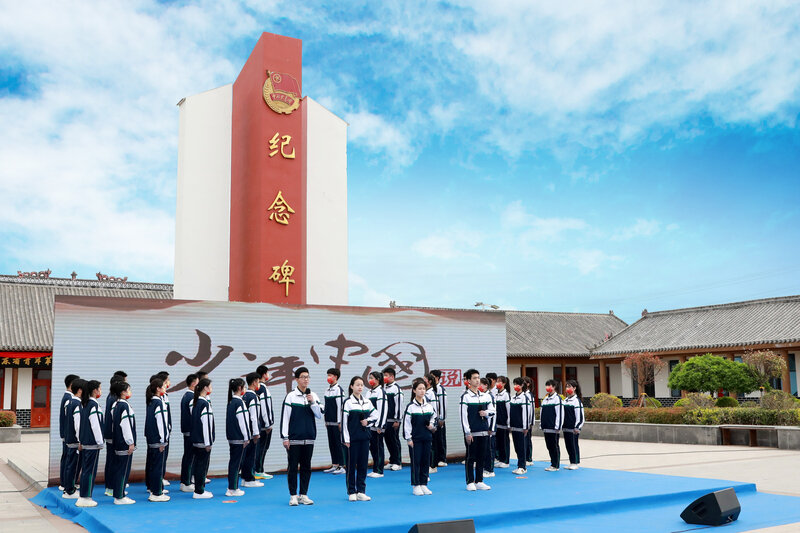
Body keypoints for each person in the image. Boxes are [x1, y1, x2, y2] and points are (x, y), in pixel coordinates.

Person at [280, 367, 323, 506]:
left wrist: (312, 402)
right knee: (292, 467)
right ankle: (293, 495)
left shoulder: (313, 395)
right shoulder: (291, 396)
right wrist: (285, 437)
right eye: (303, 377)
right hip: (294, 439)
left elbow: (319, 414)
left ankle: (303, 494)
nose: (306, 379)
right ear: (297, 379)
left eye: (307, 377)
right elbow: (285, 417)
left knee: (306, 467)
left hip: (309, 438)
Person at [342, 376, 380, 501]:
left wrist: (368, 421)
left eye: (362, 385)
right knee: (351, 465)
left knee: (363, 465)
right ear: (351, 386)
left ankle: (361, 491)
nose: (360, 387)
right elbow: (344, 422)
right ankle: (351, 491)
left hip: (365, 438)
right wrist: (346, 439)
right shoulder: (348, 402)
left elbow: (376, 414)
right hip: (352, 440)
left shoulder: (367, 402)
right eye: (357, 385)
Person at [460, 369, 495, 491]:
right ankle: (470, 481)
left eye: (478, 377)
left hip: (484, 431)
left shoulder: (486, 396)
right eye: (474, 378)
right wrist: (467, 432)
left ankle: (479, 481)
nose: (477, 380)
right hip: (472, 433)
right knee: (470, 458)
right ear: (469, 381)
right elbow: (463, 416)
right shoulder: (466, 397)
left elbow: (493, 411)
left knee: (482, 457)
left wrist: (486, 413)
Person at [404, 377, 436, 496]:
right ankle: (416, 485)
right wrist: (408, 438)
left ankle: (424, 484)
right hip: (415, 439)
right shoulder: (410, 407)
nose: (422, 391)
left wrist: (431, 425)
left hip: (427, 438)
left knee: (425, 461)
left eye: (424, 388)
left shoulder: (429, 406)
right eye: (419, 389)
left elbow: (434, 417)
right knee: (416, 462)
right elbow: (407, 424)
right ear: (414, 390)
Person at [76, 380, 103, 507]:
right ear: (95, 390)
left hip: (86, 442)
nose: (100, 391)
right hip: (92, 443)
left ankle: (84, 495)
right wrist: (100, 441)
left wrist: (80, 440)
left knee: (86, 470)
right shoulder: (93, 405)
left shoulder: (85, 404)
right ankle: (85, 497)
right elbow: (95, 425)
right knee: (90, 471)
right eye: (100, 388)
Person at [110, 380, 136, 505]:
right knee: (123, 470)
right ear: (123, 392)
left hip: (118, 441)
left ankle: (119, 493)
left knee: (119, 469)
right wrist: (130, 442)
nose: (130, 392)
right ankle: (119, 496)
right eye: (128, 390)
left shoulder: (116, 405)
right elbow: (125, 425)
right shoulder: (124, 406)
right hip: (124, 442)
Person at [144, 378, 170, 502]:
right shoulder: (159, 403)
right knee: (157, 467)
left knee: (154, 466)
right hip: (158, 440)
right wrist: (163, 440)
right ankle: (157, 493)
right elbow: (161, 423)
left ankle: (154, 489)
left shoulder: (151, 401)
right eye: (163, 386)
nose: (165, 388)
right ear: (158, 389)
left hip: (152, 439)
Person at [226, 378, 251, 497]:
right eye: (244, 387)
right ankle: (232, 488)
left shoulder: (231, 402)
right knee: (236, 464)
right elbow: (243, 422)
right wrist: (247, 437)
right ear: (240, 388)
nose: (245, 389)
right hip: (238, 438)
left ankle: (232, 487)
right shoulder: (239, 403)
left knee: (233, 463)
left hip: (232, 437)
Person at [191, 378, 215, 499]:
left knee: (198, 465)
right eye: (210, 386)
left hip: (196, 440)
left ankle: (199, 489)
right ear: (205, 388)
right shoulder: (204, 404)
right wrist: (208, 442)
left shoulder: (197, 402)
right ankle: (199, 491)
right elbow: (206, 424)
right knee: (201, 466)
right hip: (202, 441)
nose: (211, 388)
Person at [103, 372, 126, 496]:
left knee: (111, 461)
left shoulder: (111, 396)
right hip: (112, 434)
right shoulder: (114, 399)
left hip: (110, 434)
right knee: (113, 461)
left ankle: (110, 486)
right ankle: (111, 487)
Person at [62, 378, 85, 499]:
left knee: (70, 465)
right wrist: (81, 440)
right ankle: (69, 490)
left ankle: (68, 488)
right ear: (80, 390)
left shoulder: (71, 402)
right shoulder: (76, 404)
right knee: (73, 466)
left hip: (70, 439)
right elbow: (78, 425)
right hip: (75, 441)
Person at [240, 373, 262, 487]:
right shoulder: (253, 397)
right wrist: (256, 433)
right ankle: (249, 479)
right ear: (254, 382)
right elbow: (253, 417)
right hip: (251, 431)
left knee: (246, 455)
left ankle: (245, 478)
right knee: (251, 455)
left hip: (246, 431)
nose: (259, 384)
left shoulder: (244, 396)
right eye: (258, 381)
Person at [323, 368, 346, 475]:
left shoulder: (339, 390)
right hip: (329, 422)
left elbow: (340, 407)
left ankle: (342, 465)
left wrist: (340, 422)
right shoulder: (327, 390)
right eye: (327, 375)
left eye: (330, 375)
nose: (328, 377)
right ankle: (335, 464)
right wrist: (325, 419)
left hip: (337, 423)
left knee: (338, 444)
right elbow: (327, 406)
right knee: (331, 443)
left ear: (336, 377)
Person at [59, 374, 79, 492]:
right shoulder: (69, 399)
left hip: (66, 434)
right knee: (68, 459)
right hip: (68, 435)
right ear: (72, 385)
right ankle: (65, 484)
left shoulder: (68, 397)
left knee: (67, 458)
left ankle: (65, 483)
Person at [366, 371, 388, 478]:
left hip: (378, 425)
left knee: (378, 447)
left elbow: (382, 409)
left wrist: (380, 425)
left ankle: (379, 470)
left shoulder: (381, 392)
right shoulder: (369, 392)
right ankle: (375, 468)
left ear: (378, 379)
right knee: (373, 448)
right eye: (369, 378)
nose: (370, 380)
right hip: (370, 425)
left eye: (372, 378)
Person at [254, 365, 275, 480]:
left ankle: (257, 469)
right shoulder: (263, 389)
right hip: (263, 425)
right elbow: (265, 408)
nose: (268, 375)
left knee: (259, 448)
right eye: (267, 373)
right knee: (262, 448)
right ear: (264, 374)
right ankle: (259, 470)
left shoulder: (256, 389)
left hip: (258, 425)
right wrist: (268, 424)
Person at [179, 373, 198, 492]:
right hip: (191, 431)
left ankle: (186, 481)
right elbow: (194, 415)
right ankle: (186, 482)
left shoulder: (187, 395)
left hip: (188, 431)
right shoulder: (191, 397)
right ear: (193, 383)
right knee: (189, 457)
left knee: (188, 456)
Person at [509, 377, 532, 474]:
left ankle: (523, 467)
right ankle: (519, 465)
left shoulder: (524, 398)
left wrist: (525, 427)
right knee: (517, 447)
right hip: (514, 426)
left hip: (521, 427)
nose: (515, 386)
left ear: (522, 385)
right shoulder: (513, 398)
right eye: (514, 384)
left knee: (522, 447)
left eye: (517, 384)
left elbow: (526, 413)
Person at [382, 367, 403, 471]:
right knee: (388, 441)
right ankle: (392, 461)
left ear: (392, 376)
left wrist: (397, 419)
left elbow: (399, 405)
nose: (384, 377)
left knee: (394, 441)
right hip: (385, 420)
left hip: (393, 420)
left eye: (386, 375)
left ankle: (398, 462)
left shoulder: (396, 389)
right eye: (384, 375)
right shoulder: (384, 388)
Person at [540, 378, 563, 471]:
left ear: (554, 387)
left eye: (549, 385)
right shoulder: (545, 399)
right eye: (547, 385)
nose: (547, 387)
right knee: (549, 446)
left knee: (554, 446)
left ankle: (555, 465)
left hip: (554, 428)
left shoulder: (557, 399)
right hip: (546, 427)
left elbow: (559, 414)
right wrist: (542, 424)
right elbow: (542, 413)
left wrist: (558, 426)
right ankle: (552, 464)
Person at [562, 379, 584, 470]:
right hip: (566, 427)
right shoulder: (565, 400)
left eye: (569, 386)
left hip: (573, 428)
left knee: (573, 445)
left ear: (574, 388)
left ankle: (575, 462)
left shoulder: (577, 401)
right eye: (566, 386)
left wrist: (577, 427)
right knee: (568, 445)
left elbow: (580, 416)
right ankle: (571, 462)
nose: (567, 388)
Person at [155, 371, 172, 487]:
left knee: (164, 457)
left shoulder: (164, 396)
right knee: (158, 459)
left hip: (166, 430)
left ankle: (161, 477)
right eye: (167, 381)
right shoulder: (158, 399)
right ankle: (157, 483)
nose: (168, 383)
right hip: (161, 434)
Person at [430, 369, 447, 468]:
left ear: (437, 378)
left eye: (432, 376)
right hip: (433, 419)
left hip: (440, 418)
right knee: (435, 439)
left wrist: (442, 418)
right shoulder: (431, 389)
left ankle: (442, 458)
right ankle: (435, 458)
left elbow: (443, 404)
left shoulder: (440, 389)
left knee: (441, 439)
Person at [480, 377, 496, 478]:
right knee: (484, 449)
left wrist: (491, 428)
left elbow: (494, 413)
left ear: (486, 385)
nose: (479, 386)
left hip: (489, 427)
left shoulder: (490, 396)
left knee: (489, 449)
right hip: (483, 427)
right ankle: (485, 467)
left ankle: (490, 470)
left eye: (481, 384)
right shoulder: (481, 395)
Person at [494, 376, 511, 469]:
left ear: (504, 383)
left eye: (499, 381)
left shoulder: (506, 395)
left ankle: (506, 461)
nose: (497, 383)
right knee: (499, 442)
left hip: (504, 423)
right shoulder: (496, 394)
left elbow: (509, 409)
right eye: (497, 381)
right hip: (497, 423)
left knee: (504, 442)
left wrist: (508, 422)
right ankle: (500, 459)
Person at [424, 374, 439, 473]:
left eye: (425, 379)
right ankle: (427, 464)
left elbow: (434, 409)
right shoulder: (425, 392)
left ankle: (433, 465)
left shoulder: (432, 393)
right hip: (424, 422)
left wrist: (433, 423)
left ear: (429, 381)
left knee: (432, 445)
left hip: (431, 422)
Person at [523, 376, 535, 465]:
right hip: (522, 423)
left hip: (528, 422)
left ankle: (529, 458)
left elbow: (531, 410)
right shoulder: (522, 394)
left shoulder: (529, 395)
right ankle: (524, 457)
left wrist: (530, 422)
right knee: (523, 441)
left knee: (527, 440)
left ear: (528, 384)